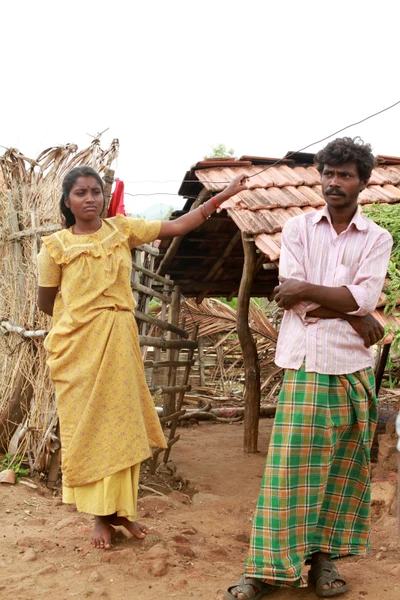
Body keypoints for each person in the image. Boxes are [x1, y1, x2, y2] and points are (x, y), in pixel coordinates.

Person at [37, 165, 248, 550]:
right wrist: (85, 319)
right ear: (67, 201)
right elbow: (46, 302)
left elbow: (179, 226)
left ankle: (121, 511)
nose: (90, 198)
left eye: (96, 192)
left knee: (122, 423)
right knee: (89, 429)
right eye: (81, 193)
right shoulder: (54, 248)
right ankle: (99, 516)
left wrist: (225, 195)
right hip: (77, 349)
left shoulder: (122, 230)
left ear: (104, 197)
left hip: (119, 342)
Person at [227, 137, 393, 599]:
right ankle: (264, 571)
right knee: (287, 473)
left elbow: (358, 297)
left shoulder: (378, 237)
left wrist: (331, 299)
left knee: (341, 472)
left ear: (362, 181)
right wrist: (355, 314)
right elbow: (290, 295)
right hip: (306, 365)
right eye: (328, 174)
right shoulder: (297, 228)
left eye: (344, 175)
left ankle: (322, 563)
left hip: (350, 368)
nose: (334, 183)